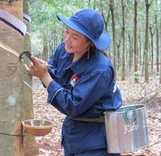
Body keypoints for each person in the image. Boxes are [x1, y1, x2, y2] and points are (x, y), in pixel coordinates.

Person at [23, 8, 123, 156]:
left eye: (75, 37)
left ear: (90, 42)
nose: (67, 39)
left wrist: (44, 76)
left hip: (96, 141)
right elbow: (55, 76)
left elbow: (73, 105)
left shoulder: (100, 69)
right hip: (73, 134)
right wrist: (45, 70)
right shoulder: (64, 51)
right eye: (67, 31)